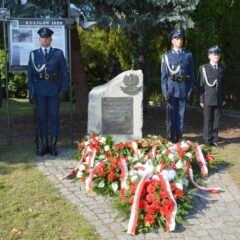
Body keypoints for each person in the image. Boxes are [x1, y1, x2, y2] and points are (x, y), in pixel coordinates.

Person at [28, 27, 69, 156]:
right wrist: (31, 91)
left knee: (54, 118)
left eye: (47, 38)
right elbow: (30, 75)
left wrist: (63, 90)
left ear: (51, 39)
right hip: (40, 92)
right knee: (42, 118)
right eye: (42, 38)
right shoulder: (34, 54)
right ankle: (44, 145)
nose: (44, 40)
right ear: (39, 39)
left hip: (54, 92)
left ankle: (53, 146)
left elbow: (64, 73)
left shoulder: (58, 53)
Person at [161, 29, 194, 143]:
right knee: (172, 113)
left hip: (183, 88)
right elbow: (164, 77)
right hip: (171, 88)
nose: (179, 41)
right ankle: (172, 135)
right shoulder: (166, 56)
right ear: (172, 40)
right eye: (177, 38)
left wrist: (190, 89)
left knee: (181, 114)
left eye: (181, 39)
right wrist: (165, 91)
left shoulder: (188, 55)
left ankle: (179, 134)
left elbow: (191, 74)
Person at [198, 46, 225, 147]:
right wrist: (201, 99)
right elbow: (200, 85)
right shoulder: (203, 68)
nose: (216, 56)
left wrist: (223, 98)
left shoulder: (221, 68)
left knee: (216, 120)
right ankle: (207, 139)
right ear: (209, 56)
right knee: (208, 119)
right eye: (214, 54)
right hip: (207, 98)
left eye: (218, 54)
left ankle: (215, 139)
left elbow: (223, 85)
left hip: (218, 98)